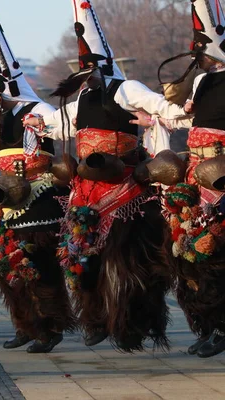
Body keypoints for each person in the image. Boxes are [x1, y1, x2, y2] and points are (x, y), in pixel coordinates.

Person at [23, 0, 187, 352]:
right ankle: (95, 317)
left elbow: (159, 105)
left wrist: (176, 111)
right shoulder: (82, 99)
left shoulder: (125, 89)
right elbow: (56, 121)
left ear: (102, 65)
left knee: (129, 261)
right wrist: (38, 124)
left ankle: (134, 320)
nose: (86, 76)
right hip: (86, 191)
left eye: (90, 69)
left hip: (125, 188)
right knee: (85, 257)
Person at [0, 0, 77, 353]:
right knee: (7, 263)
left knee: (39, 264)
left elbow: (58, 122)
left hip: (39, 196)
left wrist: (41, 125)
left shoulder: (36, 107)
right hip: (6, 197)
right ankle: (24, 323)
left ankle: (51, 326)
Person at [131, 0, 225, 358]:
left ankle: (221, 324)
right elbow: (188, 119)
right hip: (195, 178)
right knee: (186, 253)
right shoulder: (202, 81)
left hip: (221, 179)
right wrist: (153, 121)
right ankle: (208, 322)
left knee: (214, 253)